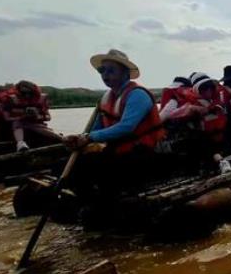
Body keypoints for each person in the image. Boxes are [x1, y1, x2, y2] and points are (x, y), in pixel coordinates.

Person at [64, 49, 166, 190]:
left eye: (111, 70)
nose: (105, 74)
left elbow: (126, 127)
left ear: (125, 73)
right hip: (118, 151)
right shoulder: (107, 98)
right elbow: (96, 129)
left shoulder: (137, 95)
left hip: (143, 153)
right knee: (74, 166)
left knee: (103, 174)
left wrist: (90, 137)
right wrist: (81, 139)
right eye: (102, 70)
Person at [1, 80, 62, 151]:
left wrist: (38, 116)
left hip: (36, 124)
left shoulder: (41, 99)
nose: (27, 95)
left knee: (37, 127)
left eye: (30, 93)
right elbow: (6, 118)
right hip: (17, 126)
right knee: (17, 122)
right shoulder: (11, 100)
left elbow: (48, 117)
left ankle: (62, 138)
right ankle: (20, 143)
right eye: (24, 93)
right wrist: (21, 117)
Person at [192, 74, 231, 174]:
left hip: (222, 139)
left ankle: (229, 158)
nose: (209, 90)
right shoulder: (194, 106)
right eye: (205, 88)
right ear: (199, 90)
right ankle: (221, 162)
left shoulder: (217, 104)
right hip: (207, 141)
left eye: (210, 88)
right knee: (202, 141)